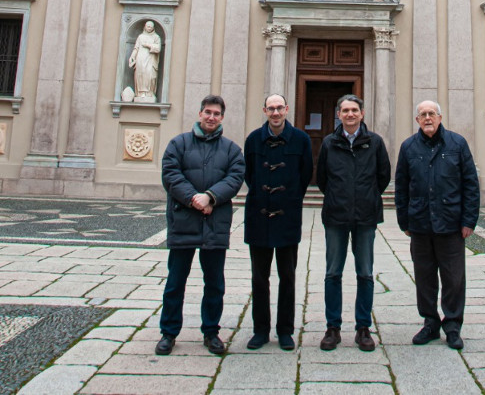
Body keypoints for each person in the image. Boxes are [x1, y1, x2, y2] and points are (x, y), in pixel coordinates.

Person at [155, 95, 245, 356]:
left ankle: (211, 332)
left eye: (216, 113)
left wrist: (211, 197)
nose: (211, 117)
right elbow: (170, 174)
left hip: (214, 223)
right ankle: (168, 333)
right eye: (207, 112)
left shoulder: (231, 149)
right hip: (184, 221)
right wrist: (195, 199)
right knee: (175, 281)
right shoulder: (178, 143)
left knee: (214, 283)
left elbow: (235, 177)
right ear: (200, 113)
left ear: (222, 118)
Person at [394, 100, 479, 351]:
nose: (428, 118)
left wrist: (468, 221)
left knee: (454, 278)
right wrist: (404, 221)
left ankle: (452, 325)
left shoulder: (457, 143)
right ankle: (430, 322)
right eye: (423, 114)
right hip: (420, 223)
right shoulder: (408, 146)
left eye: (432, 114)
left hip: (451, 223)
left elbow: (470, 184)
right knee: (425, 277)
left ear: (440, 117)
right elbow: (401, 186)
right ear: (417, 120)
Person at [316, 93, 391, 353]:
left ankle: (363, 328)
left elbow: (383, 177)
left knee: (365, 274)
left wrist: (366, 198)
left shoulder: (375, 142)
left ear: (362, 114)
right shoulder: (328, 143)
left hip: (365, 217)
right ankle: (332, 328)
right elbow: (322, 179)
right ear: (339, 114)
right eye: (345, 110)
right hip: (336, 216)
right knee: (332, 273)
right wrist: (339, 198)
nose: (349, 115)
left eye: (354, 110)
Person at [244, 93, 313, 351]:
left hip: (287, 218)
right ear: (265, 111)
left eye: (279, 108)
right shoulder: (253, 140)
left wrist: (289, 198)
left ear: (287, 109)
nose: (275, 113)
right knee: (259, 278)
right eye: (270, 108)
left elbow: (305, 174)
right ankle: (260, 330)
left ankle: (285, 331)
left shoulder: (302, 140)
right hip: (258, 218)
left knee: (288, 276)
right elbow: (249, 174)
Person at [128, 20, 161, 102]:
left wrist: (148, 45)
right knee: (140, 75)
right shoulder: (140, 37)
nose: (149, 28)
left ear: (153, 28)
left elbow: (158, 48)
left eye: (151, 26)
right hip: (140, 59)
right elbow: (136, 48)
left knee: (150, 76)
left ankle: (149, 93)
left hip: (151, 60)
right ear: (145, 27)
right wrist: (132, 57)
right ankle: (140, 94)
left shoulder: (156, 37)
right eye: (148, 26)